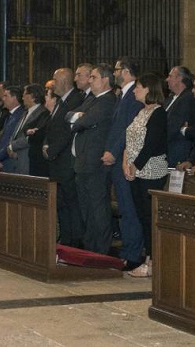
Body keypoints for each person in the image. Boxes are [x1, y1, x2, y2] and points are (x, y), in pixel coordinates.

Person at [66, 63, 117, 254]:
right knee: (86, 209)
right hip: (82, 162)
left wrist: (79, 119)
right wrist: (78, 118)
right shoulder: (92, 100)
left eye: (93, 77)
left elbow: (83, 121)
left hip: (95, 163)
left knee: (98, 209)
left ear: (105, 80)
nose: (89, 81)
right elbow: (69, 117)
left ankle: (101, 250)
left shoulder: (107, 100)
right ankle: (90, 248)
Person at [101, 58, 144, 271]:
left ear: (126, 72)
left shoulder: (134, 96)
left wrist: (114, 151)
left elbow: (128, 129)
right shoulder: (123, 95)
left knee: (129, 208)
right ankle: (128, 251)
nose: (114, 73)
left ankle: (133, 254)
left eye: (117, 70)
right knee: (125, 208)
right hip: (118, 160)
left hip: (125, 160)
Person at [123, 73, 168, 277]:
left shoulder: (158, 113)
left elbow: (152, 144)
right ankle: (148, 258)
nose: (134, 90)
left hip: (151, 171)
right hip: (135, 170)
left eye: (138, 87)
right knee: (142, 217)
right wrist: (126, 162)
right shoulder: (141, 112)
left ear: (149, 89)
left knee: (150, 218)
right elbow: (129, 140)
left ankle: (153, 262)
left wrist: (135, 165)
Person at [42, 90, 81, 246]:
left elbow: (66, 134)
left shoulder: (66, 107)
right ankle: (65, 238)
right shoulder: (56, 109)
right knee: (61, 204)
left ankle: (75, 239)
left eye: (47, 96)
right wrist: (46, 146)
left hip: (64, 163)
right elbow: (49, 132)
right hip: (56, 165)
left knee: (71, 203)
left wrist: (51, 151)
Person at [164, 66, 195, 167]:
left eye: (170, 76)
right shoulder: (170, 98)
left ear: (179, 78)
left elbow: (175, 126)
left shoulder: (187, 98)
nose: (167, 79)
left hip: (178, 152)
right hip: (167, 150)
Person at [9, 83, 48, 175]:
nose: (22, 98)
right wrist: (11, 146)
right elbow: (17, 132)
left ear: (33, 97)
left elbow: (31, 136)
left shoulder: (42, 113)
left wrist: (13, 146)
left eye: (24, 95)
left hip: (28, 159)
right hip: (17, 158)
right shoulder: (25, 112)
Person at [0, 85, 24, 173]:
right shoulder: (11, 115)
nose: (3, 99)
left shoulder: (19, 116)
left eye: (6, 96)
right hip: (3, 161)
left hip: (9, 162)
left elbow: (10, 140)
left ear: (14, 98)